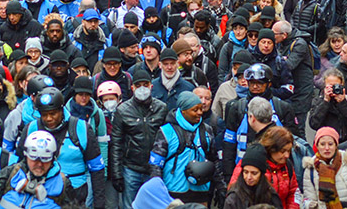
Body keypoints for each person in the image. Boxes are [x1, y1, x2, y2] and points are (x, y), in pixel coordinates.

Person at [15, 86, 105, 209]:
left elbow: (97, 168)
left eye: (53, 113)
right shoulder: (31, 129)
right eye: (44, 114)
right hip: (39, 197)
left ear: (62, 110)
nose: (49, 118)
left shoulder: (81, 128)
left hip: (75, 196)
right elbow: (19, 164)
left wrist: (99, 204)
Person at [148, 91, 224, 205]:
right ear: (183, 111)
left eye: (201, 109)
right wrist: (159, 191)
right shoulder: (166, 131)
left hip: (201, 191)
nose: (199, 113)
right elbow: (156, 164)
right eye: (195, 110)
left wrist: (221, 187)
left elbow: (214, 160)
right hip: (174, 191)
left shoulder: (207, 130)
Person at [110, 66, 169, 209]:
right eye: (138, 85)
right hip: (131, 168)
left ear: (151, 86)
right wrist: (117, 173)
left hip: (154, 169)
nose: (142, 88)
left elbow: (167, 139)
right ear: (132, 88)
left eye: (145, 85)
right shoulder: (123, 110)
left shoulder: (161, 108)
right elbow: (116, 143)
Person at [0, 129, 76, 209]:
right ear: (26, 155)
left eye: (45, 159)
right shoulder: (10, 173)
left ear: (52, 159)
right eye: (34, 158)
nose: (39, 164)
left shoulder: (63, 184)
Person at [229, 125, 299, 209]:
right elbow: (236, 195)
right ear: (271, 148)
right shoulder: (251, 163)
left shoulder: (287, 166)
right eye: (283, 151)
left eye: (289, 151)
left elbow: (293, 193)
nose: (287, 155)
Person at [222, 145, 282, 209]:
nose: (249, 177)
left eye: (254, 173)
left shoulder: (271, 194)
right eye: (245, 172)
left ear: (262, 173)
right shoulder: (233, 198)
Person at [308, 68, 347, 143]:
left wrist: (342, 103)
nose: (334, 89)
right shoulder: (317, 101)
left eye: (336, 85)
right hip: (326, 143)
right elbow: (314, 124)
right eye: (330, 86)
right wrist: (326, 102)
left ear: (342, 84)